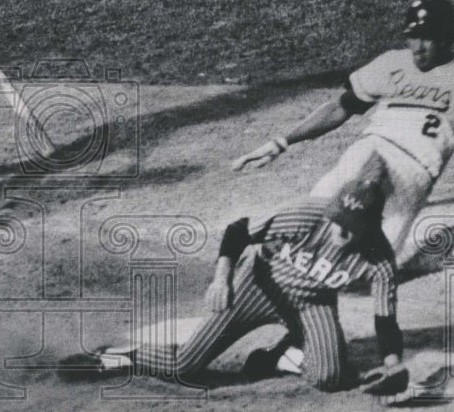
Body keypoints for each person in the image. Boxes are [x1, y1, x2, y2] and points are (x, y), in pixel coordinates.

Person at [60, 154, 408, 395]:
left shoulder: (379, 261)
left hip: (311, 304)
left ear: (371, 228)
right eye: (338, 219)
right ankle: (115, 356)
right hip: (257, 285)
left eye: (351, 227)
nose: (340, 230)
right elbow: (239, 230)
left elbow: (386, 321)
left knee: (330, 377)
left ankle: (279, 356)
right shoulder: (308, 213)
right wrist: (222, 276)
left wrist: (393, 364)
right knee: (185, 366)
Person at [232, 0, 454, 269]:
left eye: (427, 38)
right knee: (310, 221)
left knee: (365, 269)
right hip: (372, 149)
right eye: (413, 37)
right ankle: (248, 250)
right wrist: (282, 142)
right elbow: (342, 107)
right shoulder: (391, 63)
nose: (418, 48)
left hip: (414, 172)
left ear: (446, 38)